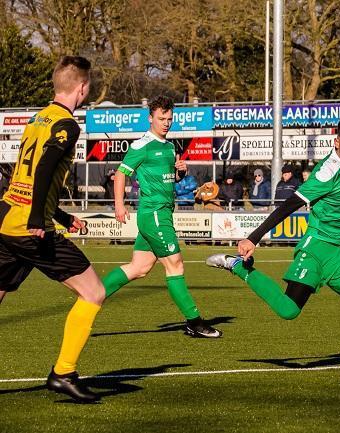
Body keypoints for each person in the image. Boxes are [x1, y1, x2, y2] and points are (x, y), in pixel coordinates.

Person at [206, 115, 340, 377]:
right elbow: (289, 206)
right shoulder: (325, 173)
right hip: (316, 250)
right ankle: (239, 267)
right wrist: (253, 237)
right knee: (288, 311)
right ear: (336, 143)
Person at [0, 56, 105, 402]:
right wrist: (39, 220)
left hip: (6, 220)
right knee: (93, 293)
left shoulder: (37, 118)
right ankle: (64, 372)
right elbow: (43, 169)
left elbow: (25, 177)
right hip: (30, 228)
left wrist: (60, 215)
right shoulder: (67, 124)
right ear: (83, 87)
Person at [101, 95, 221, 339]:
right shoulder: (141, 145)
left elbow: (169, 181)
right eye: (161, 118)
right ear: (150, 118)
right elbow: (122, 174)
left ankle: (92, 294)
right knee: (175, 264)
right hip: (153, 213)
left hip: (164, 212)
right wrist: (119, 205)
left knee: (140, 267)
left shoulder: (169, 147)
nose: (166, 123)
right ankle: (194, 321)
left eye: (169, 119)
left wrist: (179, 173)